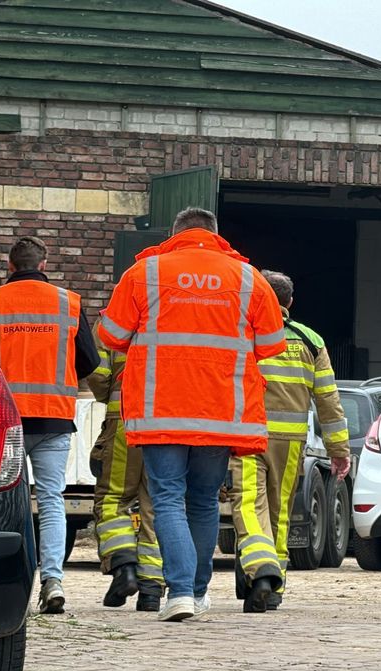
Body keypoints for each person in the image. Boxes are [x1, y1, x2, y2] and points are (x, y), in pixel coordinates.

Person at [98, 207, 286, 622]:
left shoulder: (144, 273)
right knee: (203, 502)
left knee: (167, 498)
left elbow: (110, 336)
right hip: (221, 410)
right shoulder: (248, 279)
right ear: (216, 235)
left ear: (175, 233)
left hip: (159, 409)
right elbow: (272, 343)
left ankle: (180, 592)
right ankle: (198, 593)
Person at [0, 236, 100, 614]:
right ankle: (53, 580)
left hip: (3, 420)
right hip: (54, 418)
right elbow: (90, 362)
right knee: (50, 501)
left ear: (10, 266)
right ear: (43, 265)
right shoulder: (69, 304)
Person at [229, 269, 351, 613]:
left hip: (249, 436)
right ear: (290, 302)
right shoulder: (311, 340)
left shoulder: (242, 333)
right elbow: (329, 400)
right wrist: (339, 451)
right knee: (279, 510)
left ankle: (261, 571)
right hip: (291, 442)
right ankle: (275, 582)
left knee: (250, 504)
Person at [87, 320, 163, 611]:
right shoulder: (174, 316)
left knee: (113, 500)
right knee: (157, 507)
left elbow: (98, 372)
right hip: (167, 428)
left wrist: (108, 396)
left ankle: (124, 567)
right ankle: (151, 591)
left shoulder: (110, 321)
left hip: (125, 422)